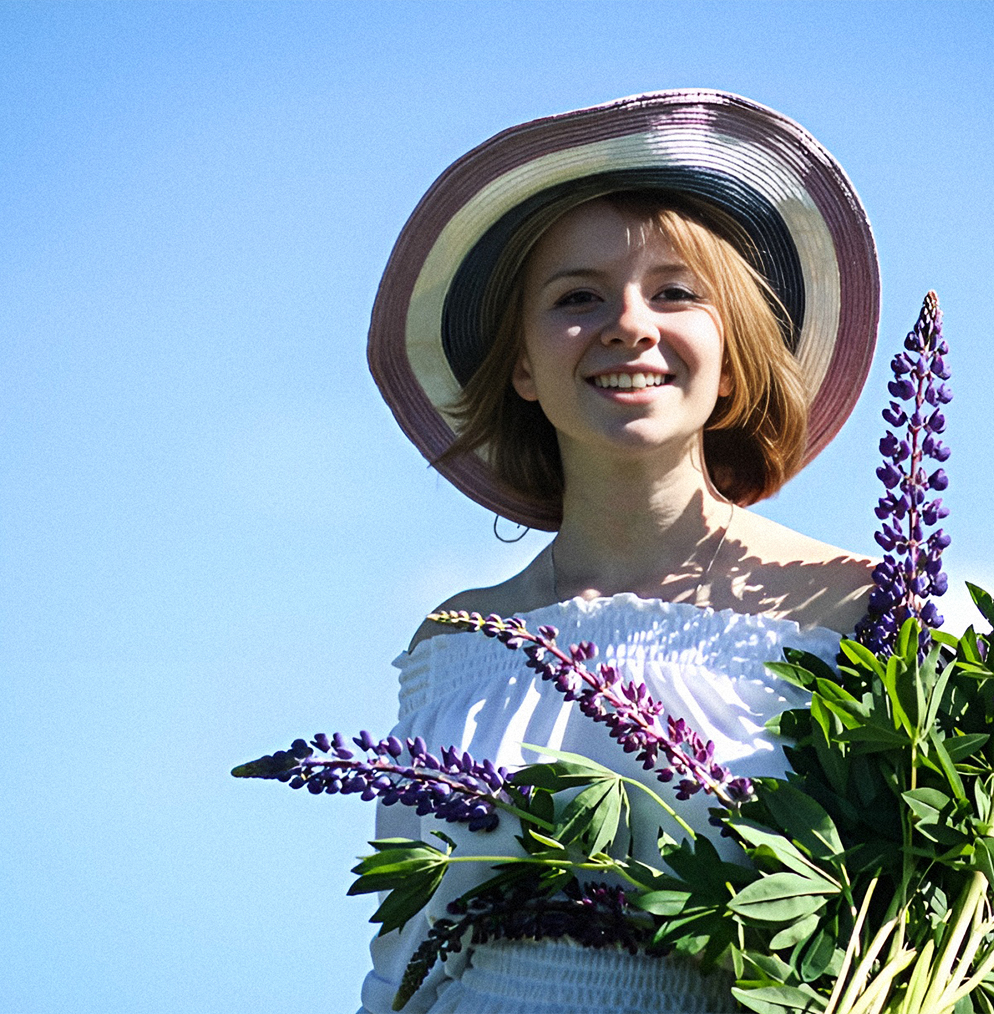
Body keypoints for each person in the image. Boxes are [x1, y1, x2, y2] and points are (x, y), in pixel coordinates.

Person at [360, 91, 882, 1014]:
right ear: (521, 365)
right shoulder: (460, 639)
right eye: (576, 298)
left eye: (675, 292)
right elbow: (403, 959)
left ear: (734, 352)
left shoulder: (862, 610)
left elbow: (943, 920)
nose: (629, 324)